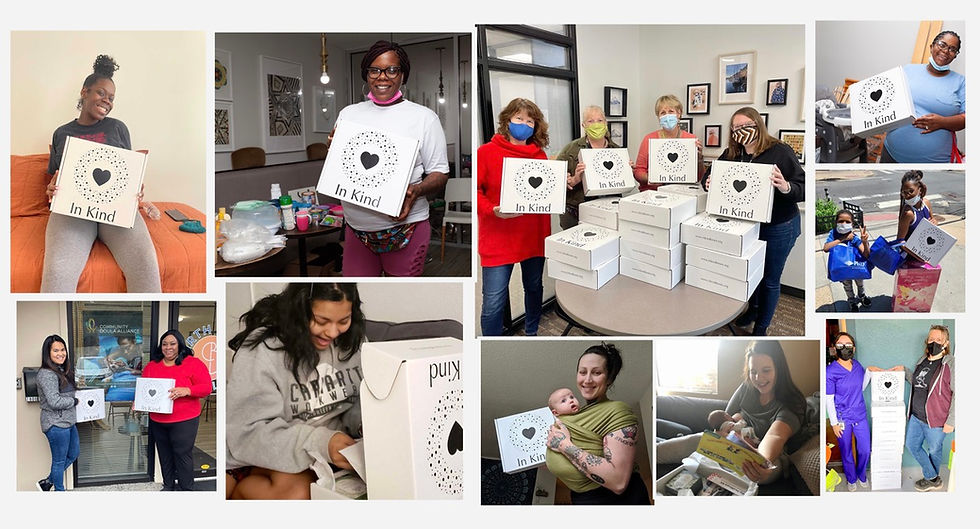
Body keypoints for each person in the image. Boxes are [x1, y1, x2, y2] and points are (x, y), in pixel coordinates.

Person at [225, 283, 365, 499]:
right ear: (299, 311)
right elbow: (248, 434)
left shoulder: (355, 342)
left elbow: (356, 402)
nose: (332, 332)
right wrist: (320, 443)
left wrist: (367, 424)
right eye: (321, 321)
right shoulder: (263, 348)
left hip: (315, 454)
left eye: (343, 321)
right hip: (256, 448)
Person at [43, 54, 161, 293]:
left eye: (111, 98)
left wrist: (136, 188)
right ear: (84, 92)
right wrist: (51, 190)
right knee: (57, 271)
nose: (107, 101)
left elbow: (126, 172)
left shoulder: (118, 128)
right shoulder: (61, 133)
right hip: (73, 211)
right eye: (101, 93)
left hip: (116, 209)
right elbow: (54, 179)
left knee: (146, 266)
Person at [331, 41, 449, 277]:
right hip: (356, 229)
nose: (382, 77)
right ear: (366, 74)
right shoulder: (348, 114)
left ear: (402, 75)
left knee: (400, 297)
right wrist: (334, 153)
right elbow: (344, 167)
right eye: (374, 70)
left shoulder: (424, 118)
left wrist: (416, 190)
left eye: (391, 70)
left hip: (406, 229)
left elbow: (440, 173)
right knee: (358, 295)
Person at [705, 107, 805, 336]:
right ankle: (753, 310)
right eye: (736, 128)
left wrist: (786, 186)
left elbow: (803, 187)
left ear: (758, 124)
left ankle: (761, 327)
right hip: (747, 227)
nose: (741, 131)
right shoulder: (732, 153)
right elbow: (709, 175)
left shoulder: (780, 151)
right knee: (752, 275)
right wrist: (708, 182)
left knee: (770, 279)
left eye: (746, 125)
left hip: (779, 226)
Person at [658, 341, 808, 486]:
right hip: (734, 444)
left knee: (767, 470)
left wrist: (760, 460)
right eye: (753, 372)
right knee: (700, 439)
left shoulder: (792, 403)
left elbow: (775, 436)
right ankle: (656, 451)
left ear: (779, 368)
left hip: (769, 455)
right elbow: (725, 416)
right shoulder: (747, 387)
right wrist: (723, 433)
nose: (758, 378)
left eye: (766, 370)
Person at [477, 98, 551, 336]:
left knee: (533, 288)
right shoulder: (486, 153)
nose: (524, 124)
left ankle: (531, 334)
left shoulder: (540, 157)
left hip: (532, 235)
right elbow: (475, 192)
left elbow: (546, 192)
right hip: (498, 237)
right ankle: (489, 347)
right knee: (493, 302)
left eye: (530, 121)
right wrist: (493, 209)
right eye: (519, 118)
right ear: (507, 121)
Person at [545, 343, 650, 504]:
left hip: (616, 500)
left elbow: (618, 482)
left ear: (609, 378)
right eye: (582, 372)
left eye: (596, 372)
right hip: (581, 497)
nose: (587, 380)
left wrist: (563, 445)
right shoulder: (573, 415)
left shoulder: (617, 410)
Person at [882, 325, 954, 492]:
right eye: (931, 339)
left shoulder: (950, 364)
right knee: (911, 445)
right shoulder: (923, 360)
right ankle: (933, 478)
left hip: (936, 419)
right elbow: (917, 382)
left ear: (946, 343)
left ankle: (932, 479)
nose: (933, 342)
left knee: (934, 450)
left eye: (938, 340)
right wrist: (905, 371)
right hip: (915, 416)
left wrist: (952, 421)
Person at [141, 330, 211, 491]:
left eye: (172, 343)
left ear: (180, 344)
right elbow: (145, 389)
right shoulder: (152, 366)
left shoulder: (193, 363)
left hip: (184, 420)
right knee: (164, 455)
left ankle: (187, 489)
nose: (168, 347)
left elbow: (206, 388)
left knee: (182, 455)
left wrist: (187, 390)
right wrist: (139, 402)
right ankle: (168, 486)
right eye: (164, 344)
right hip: (158, 419)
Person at [881, 31, 965, 163]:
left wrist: (942, 122)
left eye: (952, 49)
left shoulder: (961, 82)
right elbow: (888, 100)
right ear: (932, 46)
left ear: (955, 56)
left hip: (934, 162)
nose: (946, 51)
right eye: (942, 44)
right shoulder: (908, 70)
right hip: (891, 155)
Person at [553, 105, 622, 229]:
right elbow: (553, 182)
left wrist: (627, 171)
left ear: (606, 123)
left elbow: (623, 183)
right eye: (590, 121)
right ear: (583, 125)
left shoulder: (617, 151)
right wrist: (574, 180)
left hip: (609, 213)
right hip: (575, 214)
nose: (596, 124)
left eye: (600, 120)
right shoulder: (570, 150)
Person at [826, 332, 872, 491]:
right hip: (842, 419)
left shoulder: (858, 366)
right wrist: (833, 424)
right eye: (840, 345)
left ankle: (861, 475)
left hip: (860, 415)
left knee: (865, 449)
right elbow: (828, 399)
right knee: (846, 451)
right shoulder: (830, 372)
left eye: (848, 345)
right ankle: (851, 479)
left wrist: (869, 373)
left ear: (854, 348)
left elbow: (861, 387)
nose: (845, 348)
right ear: (834, 348)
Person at [633, 95, 703, 191]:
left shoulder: (691, 140)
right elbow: (638, 172)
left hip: (682, 192)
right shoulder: (649, 139)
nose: (667, 116)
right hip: (652, 193)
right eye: (663, 113)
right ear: (658, 117)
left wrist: (699, 158)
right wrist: (652, 178)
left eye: (671, 111)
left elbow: (698, 177)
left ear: (679, 114)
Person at [36, 335, 79, 491]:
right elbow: (54, 402)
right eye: (56, 350)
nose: (61, 353)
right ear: (48, 353)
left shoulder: (62, 370)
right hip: (55, 423)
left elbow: (67, 394)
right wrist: (74, 402)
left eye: (62, 350)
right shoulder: (46, 374)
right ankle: (59, 491)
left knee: (74, 453)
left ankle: (47, 483)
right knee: (59, 461)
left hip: (68, 421)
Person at [823, 210, 871, 311]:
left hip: (855, 267)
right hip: (842, 268)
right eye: (841, 221)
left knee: (860, 283)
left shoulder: (854, 237)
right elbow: (826, 248)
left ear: (852, 224)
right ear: (836, 223)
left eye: (847, 222)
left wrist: (864, 242)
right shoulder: (833, 233)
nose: (844, 224)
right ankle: (851, 301)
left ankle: (861, 295)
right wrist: (843, 239)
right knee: (847, 285)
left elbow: (866, 254)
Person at [896, 170, 938, 262]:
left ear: (920, 190)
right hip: (910, 259)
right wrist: (918, 256)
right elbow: (900, 241)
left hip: (926, 255)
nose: (907, 195)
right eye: (904, 192)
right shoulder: (908, 213)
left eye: (911, 191)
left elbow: (932, 220)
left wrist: (934, 221)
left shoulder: (926, 203)